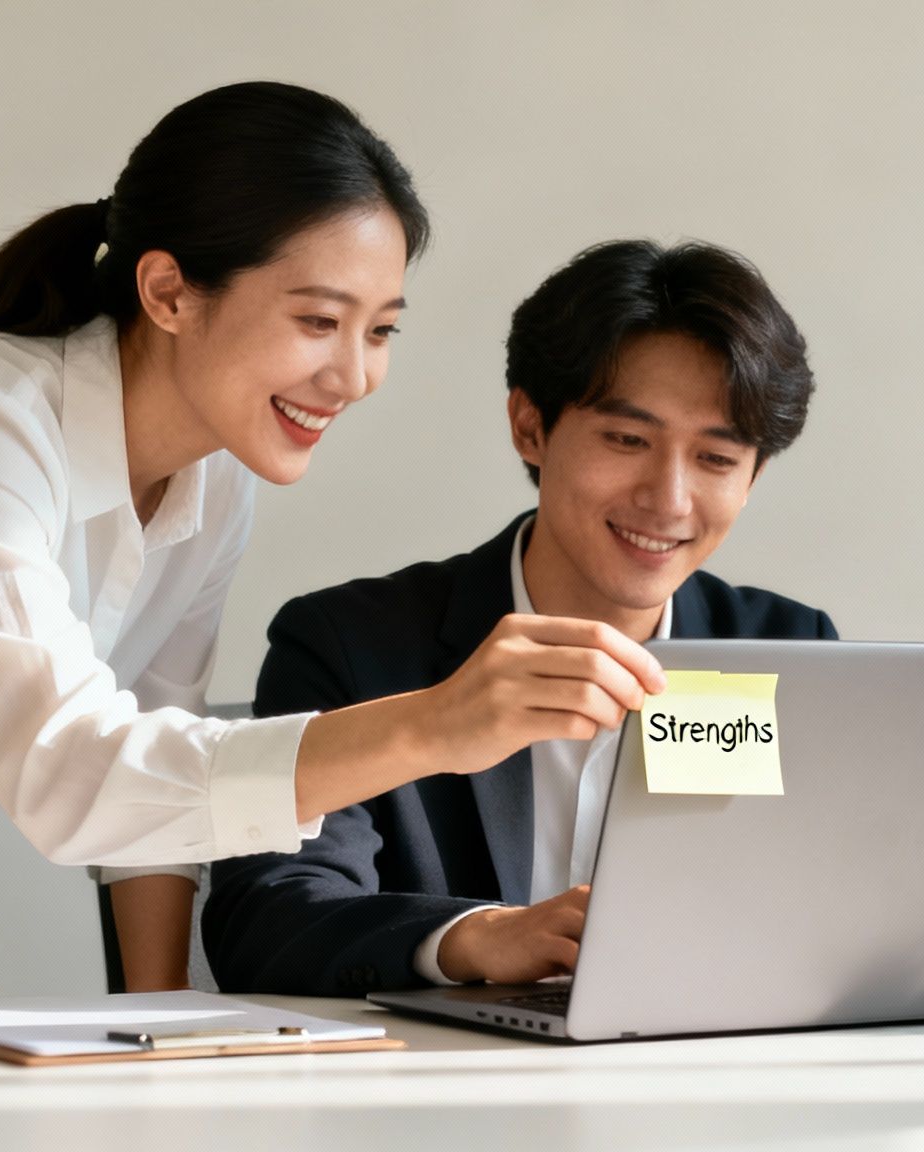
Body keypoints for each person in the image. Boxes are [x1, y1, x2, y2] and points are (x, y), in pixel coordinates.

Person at [0, 83, 664, 1006]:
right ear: (167, 291)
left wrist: (158, 1021)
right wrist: (430, 727)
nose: (352, 377)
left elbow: (156, 749)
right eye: (317, 321)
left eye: (380, 330)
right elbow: (76, 777)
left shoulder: (211, 481)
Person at [192, 239, 835, 996]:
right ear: (529, 427)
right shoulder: (352, 644)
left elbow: (837, 906)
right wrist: (473, 938)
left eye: (717, 460)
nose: (668, 499)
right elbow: (267, 920)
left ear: (754, 477)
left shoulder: (786, 652)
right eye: (628, 440)